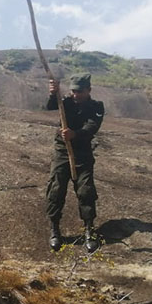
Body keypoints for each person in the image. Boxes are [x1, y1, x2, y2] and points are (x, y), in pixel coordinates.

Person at [45, 72, 104, 252]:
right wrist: (53, 92)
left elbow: (92, 126)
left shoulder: (96, 106)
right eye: (73, 91)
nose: (75, 95)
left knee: (86, 191)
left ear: (88, 90)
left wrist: (75, 134)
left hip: (83, 153)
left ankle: (89, 230)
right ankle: (55, 230)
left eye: (79, 92)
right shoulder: (66, 102)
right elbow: (50, 106)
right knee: (56, 189)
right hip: (63, 151)